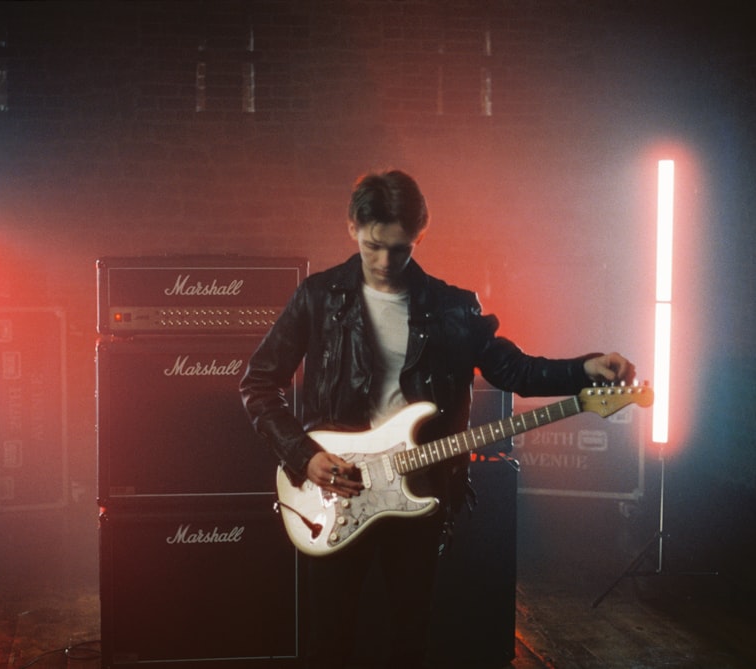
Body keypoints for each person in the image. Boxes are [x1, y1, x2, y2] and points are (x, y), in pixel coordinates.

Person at [239, 169, 636, 669]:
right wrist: (304, 455)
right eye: (373, 246)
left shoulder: (454, 308)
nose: (385, 262)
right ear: (352, 228)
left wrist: (585, 369)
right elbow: (257, 383)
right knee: (330, 643)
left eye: (400, 249)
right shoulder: (319, 297)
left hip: (422, 487)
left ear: (420, 236)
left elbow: (516, 370)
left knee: (411, 638)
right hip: (335, 489)